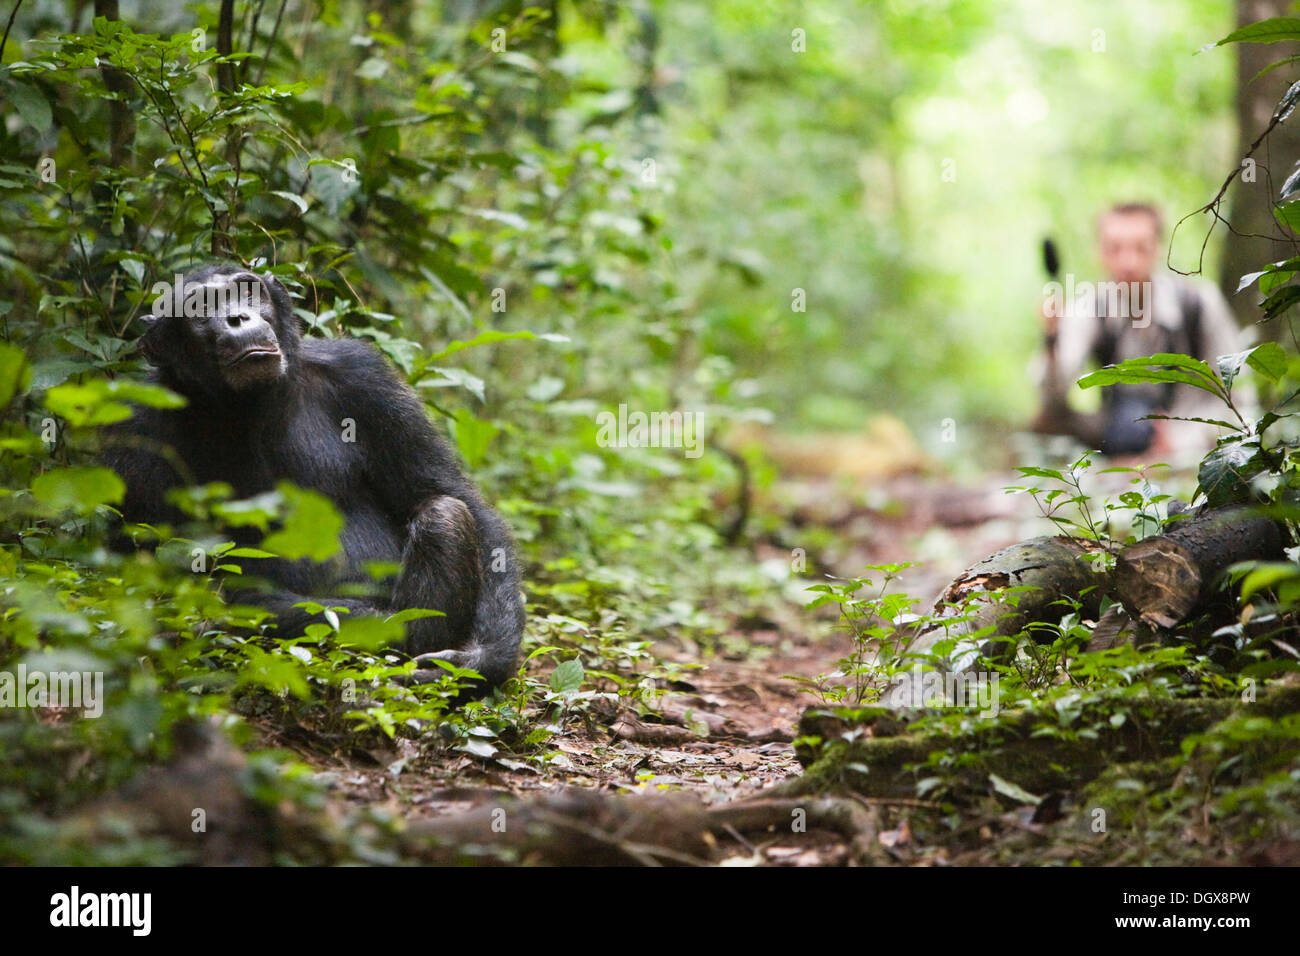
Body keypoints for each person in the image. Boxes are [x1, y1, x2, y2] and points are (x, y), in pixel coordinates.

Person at [1031, 202, 1252, 461]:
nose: (1128, 261)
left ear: (1158, 248)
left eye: (1140, 247)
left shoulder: (1198, 304)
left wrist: (1182, 439)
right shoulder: (1091, 306)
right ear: (1099, 252)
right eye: (1115, 248)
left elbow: (1242, 400)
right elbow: (1052, 398)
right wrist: (1052, 338)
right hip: (1117, 432)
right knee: (1050, 422)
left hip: (1190, 437)